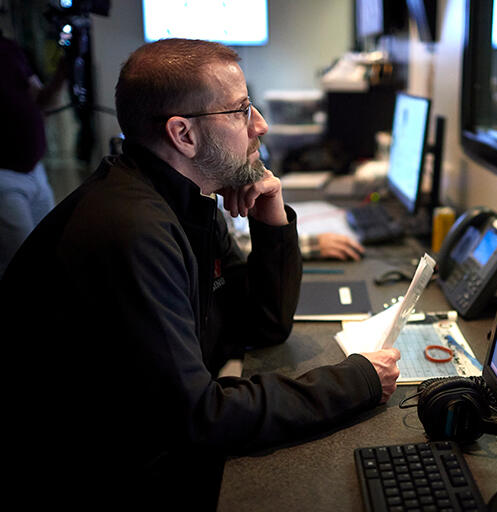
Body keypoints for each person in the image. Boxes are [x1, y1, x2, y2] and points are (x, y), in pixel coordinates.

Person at [0, 38, 400, 510]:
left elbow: (261, 323)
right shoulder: (132, 231)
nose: (261, 125)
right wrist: (356, 381)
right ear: (183, 134)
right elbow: (199, 416)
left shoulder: (189, 202)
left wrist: (269, 214)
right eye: (241, 110)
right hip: (90, 478)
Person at [0, 33, 64, 277]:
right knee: (21, 264)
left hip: (35, 170)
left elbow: (44, 101)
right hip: (4, 178)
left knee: (49, 247)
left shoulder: (10, 48)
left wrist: (64, 71)